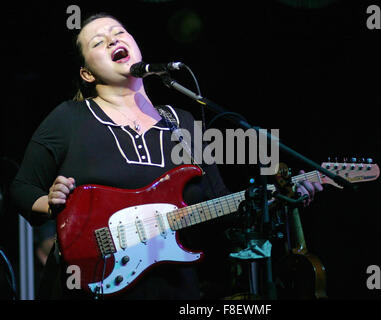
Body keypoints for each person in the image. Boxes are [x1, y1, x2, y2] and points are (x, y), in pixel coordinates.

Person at [10, 13, 322, 300]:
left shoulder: (182, 122)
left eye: (118, 32)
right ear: (87, 74)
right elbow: (21, 190)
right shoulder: (70, 118)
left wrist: (281, 198)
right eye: (98, 41)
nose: (112, 40)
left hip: (175, 290)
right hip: (90, 285)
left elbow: (223, 205)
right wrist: (52, 203)